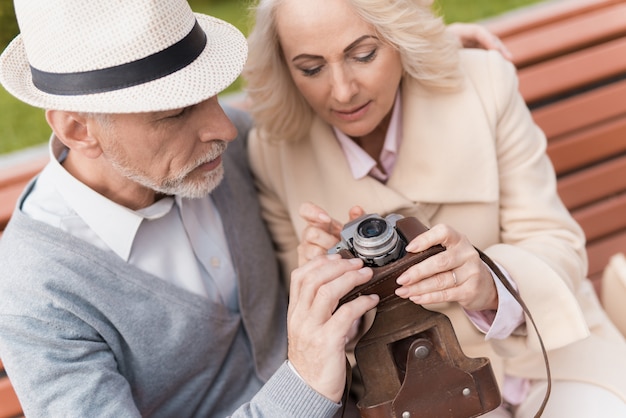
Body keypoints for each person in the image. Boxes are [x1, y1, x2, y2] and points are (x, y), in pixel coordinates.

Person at [243, 0, 626, 416]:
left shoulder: (484, 83)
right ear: (283, 66)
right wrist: (330, 294)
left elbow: (555, 240)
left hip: (549, 347)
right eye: (311, 68)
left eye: (364, 54)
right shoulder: (273, 154)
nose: (342, 90)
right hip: (417, 389)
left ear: (401, 35)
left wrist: (492, 285)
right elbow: (324, 346)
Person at [0, 0, 383, 416]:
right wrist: (305, 382)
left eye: (210, 93)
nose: (226, 128)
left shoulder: (218, 157)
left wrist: (416, 62)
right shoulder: (36, 295)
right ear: (78, 129)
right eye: (177, 111)